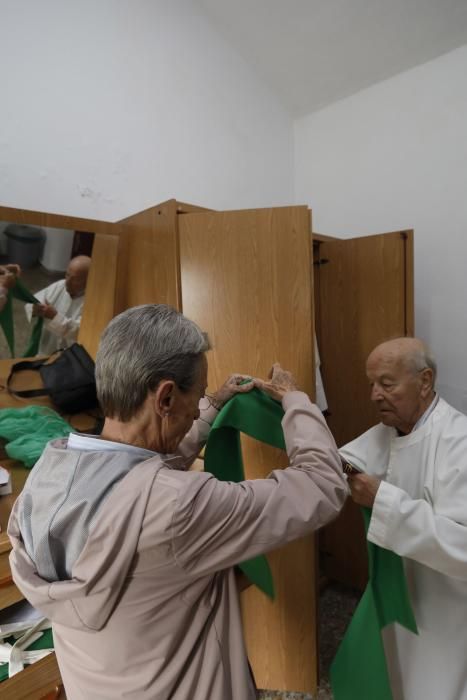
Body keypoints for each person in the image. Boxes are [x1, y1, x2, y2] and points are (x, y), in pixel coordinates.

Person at [8, 303, 347, 700]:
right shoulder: (180, 507)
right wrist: (297, 402)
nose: (196, 406)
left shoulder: (45, 478)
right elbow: (322, 485)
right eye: (197, 394)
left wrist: (210, 409)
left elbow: (131, 477)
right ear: (166, 397)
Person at [341, 336, 467, 700]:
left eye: (386, 383)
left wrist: (382, 500)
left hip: (447, 609)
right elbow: (338, 463)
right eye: (371, 384)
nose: (374, 395)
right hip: (400, 593)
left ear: (424, 381)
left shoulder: (458, 440)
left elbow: (461, 544)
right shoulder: (387, 431)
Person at [24, 255, 91, 354]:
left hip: (71, 355)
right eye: (67, 275)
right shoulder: (60, 285)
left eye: (75, 279)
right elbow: (33, 300)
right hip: (47, 347)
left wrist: (54, 316)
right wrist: (35, 308)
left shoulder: (92, 300)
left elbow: (79, 331)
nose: (68, 282)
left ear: (88, 281)